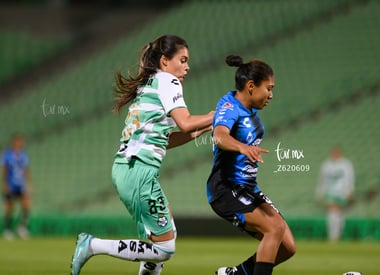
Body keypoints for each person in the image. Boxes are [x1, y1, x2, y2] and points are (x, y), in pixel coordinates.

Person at [70, 34, 214, 275]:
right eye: (183, 60)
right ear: (165, 61)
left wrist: (205, 127)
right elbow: (186, 122)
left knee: (166, 237)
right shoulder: (168, 82)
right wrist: (218, 113)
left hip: (128, 169)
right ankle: (92, 245)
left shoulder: (149, 85)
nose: (188, 66)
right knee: (165, 248)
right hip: (138, 171)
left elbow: (165, 139)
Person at [206, 55, 296, 275]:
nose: (271, 95)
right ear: (251, 86)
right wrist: (242, 147)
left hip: (247, 189)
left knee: (287, 247)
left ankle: (235, 274)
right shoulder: (230, 107)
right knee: (273, 229)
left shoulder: (250, 110)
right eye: (269, 88)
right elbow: (219, 136)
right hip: (226, 189)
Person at [315, 146, 355, 242]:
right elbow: (322, 180)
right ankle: (333, 236)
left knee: (339, 215)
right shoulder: (326, 165)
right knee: (332, 213)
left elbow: (350, 178)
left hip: (342, 193)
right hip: (331, 193)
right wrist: (319, 193)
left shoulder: (346, 164)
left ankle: (337, 234)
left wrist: (350, 190)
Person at [2, 133, 32, 240]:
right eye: (18, 141)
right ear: (13, 142)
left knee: (26, 205)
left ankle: (21, 228)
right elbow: (5, 170)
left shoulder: (23, 155)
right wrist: (5, 184)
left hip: (21, 185)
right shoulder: (7, 155)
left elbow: (26, 170)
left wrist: (28, 184)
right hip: (11, 184)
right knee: (10, 207)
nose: (20, 143)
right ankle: (8, 230)